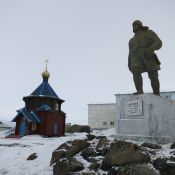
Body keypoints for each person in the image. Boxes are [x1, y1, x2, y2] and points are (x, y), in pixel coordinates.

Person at [128, 20, 162, 95]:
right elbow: (130, 53)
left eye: (136, 25)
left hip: (147, 55)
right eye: (133, 25)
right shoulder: (131, 40)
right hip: (136, 57)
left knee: (153, 75)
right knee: (135, 71)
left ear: (140, 26)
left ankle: (156, 93)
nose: (134, 27)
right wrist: (129, 63)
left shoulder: (149, 33)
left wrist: (150, 49)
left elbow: (158, 42)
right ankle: (139, 91)